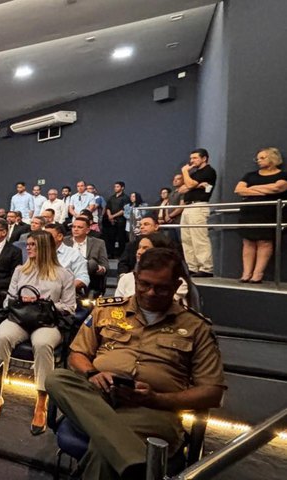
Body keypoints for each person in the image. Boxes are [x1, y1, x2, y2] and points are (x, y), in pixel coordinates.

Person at [45, 248, 225, 480]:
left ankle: (130, 461)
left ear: (176, 285)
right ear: (136, 278)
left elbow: (212, 393)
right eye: (144, 284)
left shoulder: (196, 327)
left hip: (153, 411)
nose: (150, 293)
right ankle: (140, 465)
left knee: (103, 451)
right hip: (98, 397)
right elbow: (77, 354)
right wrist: (92, 373)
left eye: (161, 288)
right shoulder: (107, 309)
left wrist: (156, 399)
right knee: (56, 378)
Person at [0, 231, 76, 431]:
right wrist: (21, 300)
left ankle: (41, 400)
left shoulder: (63, 274)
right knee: (1, 336)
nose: (28, 248)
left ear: (45, 248)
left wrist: (45, 303)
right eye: (28, 244)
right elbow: (8, 300)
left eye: (33, 245)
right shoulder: (20, 271)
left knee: (42, 343)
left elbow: (70, 307)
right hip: (20, 318)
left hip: (48, 321)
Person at [234, 147, 287, 283]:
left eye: (262, 158)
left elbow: (277, 188)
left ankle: (258, 274)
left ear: (273, 158)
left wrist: (252, 188)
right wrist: (265, 190)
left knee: (264, 242)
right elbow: (239, 190)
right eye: (257, 158)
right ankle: (246, 273)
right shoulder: (250, 175)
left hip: (269, 213)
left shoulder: (283, 175)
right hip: (249, 212)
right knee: (248, 242)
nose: (259, 161)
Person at [115, 233, 188, 303]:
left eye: (145, 248)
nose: (139, 252)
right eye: (139, 247)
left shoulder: (176, 281)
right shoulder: (126, 279)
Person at [180, 148, 217, 277]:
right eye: (191, 158)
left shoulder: (208, 171)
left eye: (195, 158)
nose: (192, 161)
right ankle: (192, 267)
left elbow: (189, 185)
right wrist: (196, 185)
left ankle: (206, 268)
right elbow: (182, 189)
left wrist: (185, 172)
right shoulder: (195, 173)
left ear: (204, 158)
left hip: (199, 206)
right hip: (188, 206)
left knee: (199, 238)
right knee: (187, 239)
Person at [64, 216, 108, 294]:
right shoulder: (64, 241)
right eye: (74, 227)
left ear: (87, 230)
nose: (75, 229)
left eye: (79, 227)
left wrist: (102, 269)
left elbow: (105, 265)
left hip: (90, 276)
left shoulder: (98, 243)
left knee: (91, 264)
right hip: (67, 275)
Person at [43, 223, 89, 291]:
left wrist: (64, 289)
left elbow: (83, 278)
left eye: (47, 236)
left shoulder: (73, 254)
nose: (43, 239)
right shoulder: (37, 252)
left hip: (64, 292)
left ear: (60, 236)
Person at [103, 181, 129, 258]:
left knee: (121, 238)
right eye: (115, 187)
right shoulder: (112, 197)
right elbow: (108, 208)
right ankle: (111, 254)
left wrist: (113, 216)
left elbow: (124, 210)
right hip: (111, 221)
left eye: (117, 187)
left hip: (121, 221)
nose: (115, 188)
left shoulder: (125, 198)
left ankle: (121, 255)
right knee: (110, 238)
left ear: (122, 188)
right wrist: (110, 216)